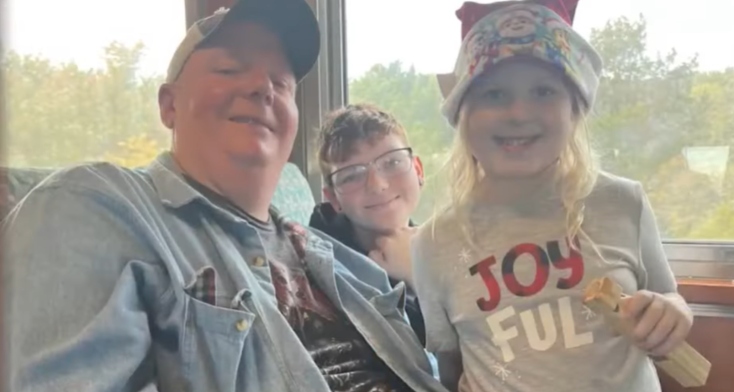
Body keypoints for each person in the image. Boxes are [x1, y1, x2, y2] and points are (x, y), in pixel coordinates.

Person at [3, 1, 447, 391]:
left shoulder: (346, 263)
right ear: (169, 104)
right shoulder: (91, 206)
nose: (262, 87)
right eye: (229, 69)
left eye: (282, 82)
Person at [410, 1, 694, 391]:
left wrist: (673, 313)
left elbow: (667, 300)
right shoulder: (433, 242)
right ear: (462, 114)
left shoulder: (623, 203)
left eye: (544, 91)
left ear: (575, 109)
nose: (518, 112)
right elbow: (450, 362)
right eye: (493, 94)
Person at [309, 103, 426, 345]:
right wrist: (422, 281)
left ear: (418, 170)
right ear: (333, 199)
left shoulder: (448, 246)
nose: (377, 185)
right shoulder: (320, 278)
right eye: (352, 175)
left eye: (392, 163)